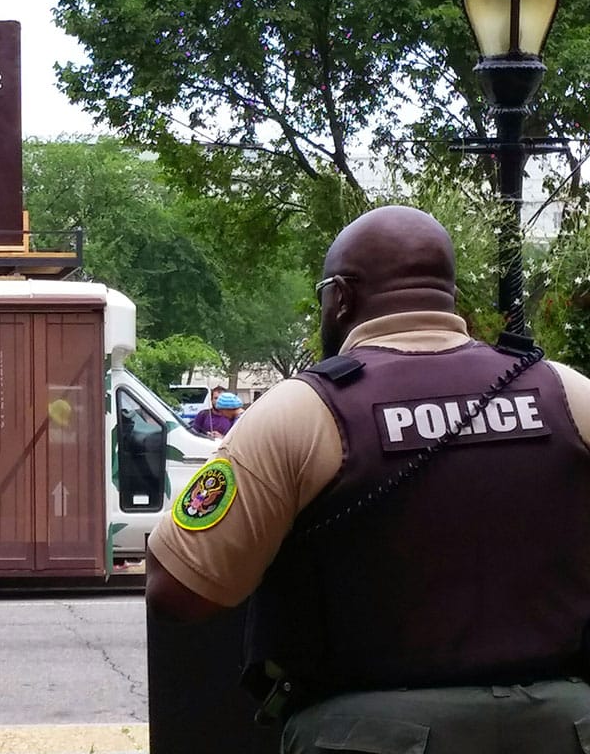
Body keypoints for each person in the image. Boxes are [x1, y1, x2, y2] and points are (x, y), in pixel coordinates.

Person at [146, 205, 590, 753]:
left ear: (341, 297)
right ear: (448, 294)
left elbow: (180, 589)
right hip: (568, 729)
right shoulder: (566, 393)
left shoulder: (305, 410)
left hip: (367, 735)